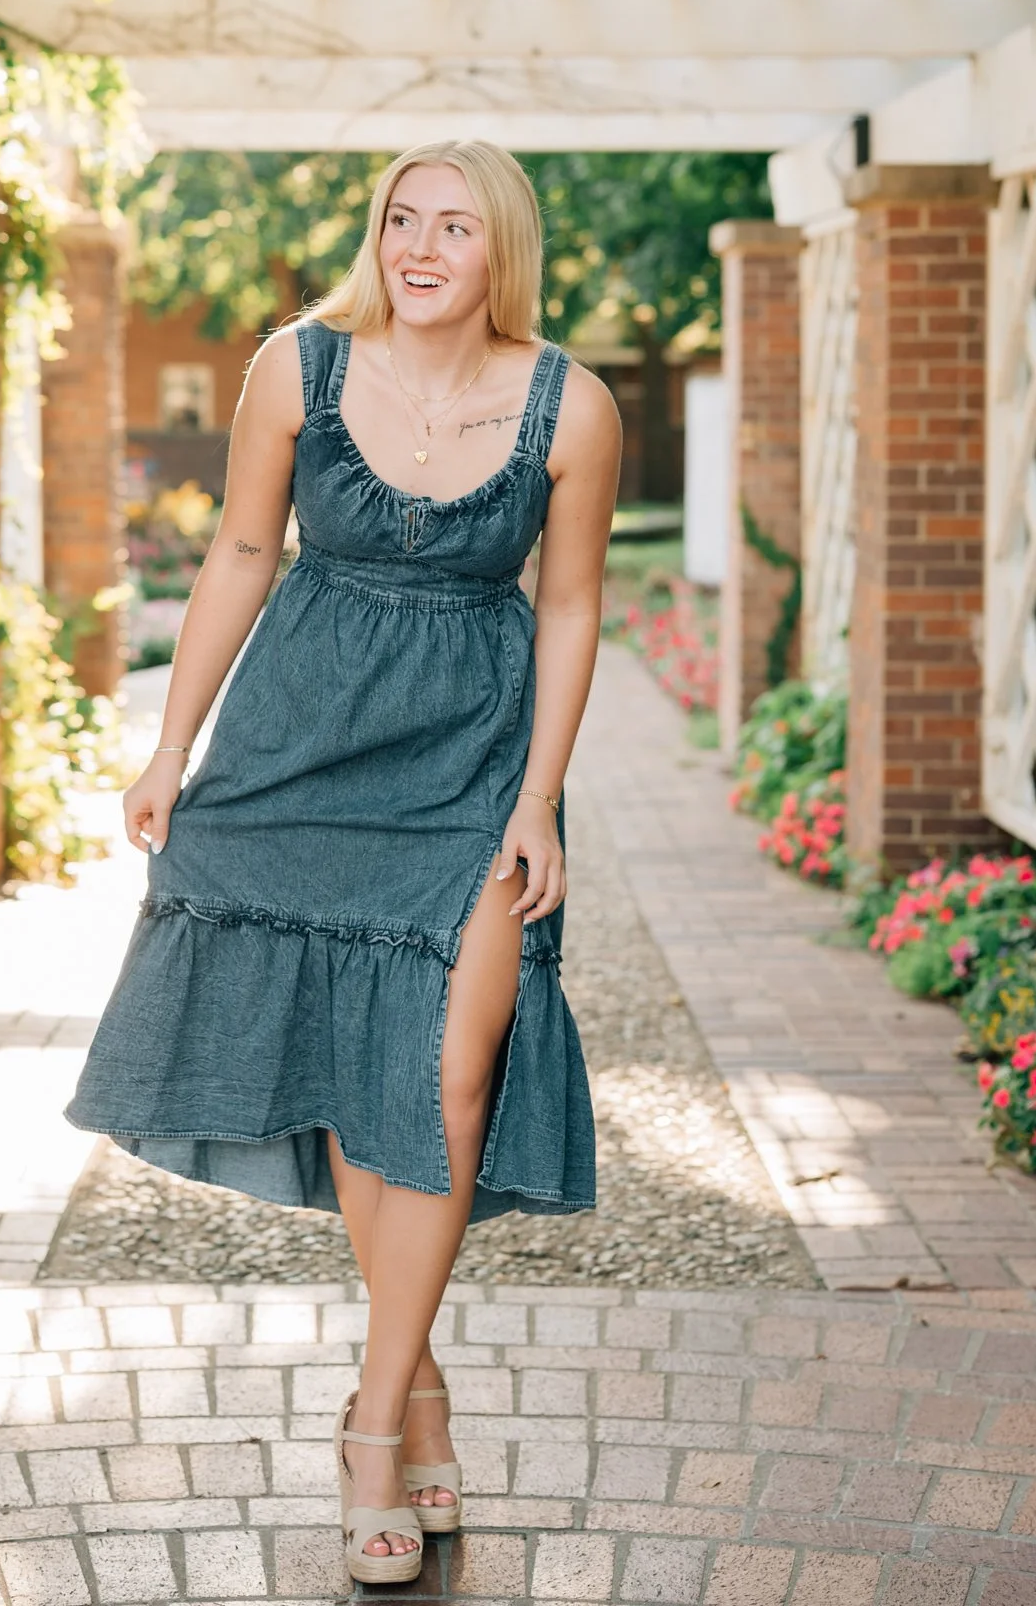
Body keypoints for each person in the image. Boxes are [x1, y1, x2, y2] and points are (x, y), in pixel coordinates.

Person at [67, 139, 622, 1584]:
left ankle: (369, 1422)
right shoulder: (293, 371)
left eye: (454, 226)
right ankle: (417, 1389)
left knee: (450, 1066)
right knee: (339, 1053)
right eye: (399, 221)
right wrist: (167, 748)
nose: (420, 248)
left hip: (468, 769)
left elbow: (568, 611)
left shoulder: (575, 404)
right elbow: (244, 552)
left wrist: (542, 800)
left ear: (502, 250)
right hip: (295, 749)